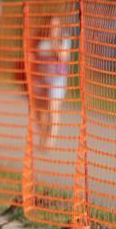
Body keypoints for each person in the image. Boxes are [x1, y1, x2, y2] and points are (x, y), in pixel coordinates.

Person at [31, 15, 73, 148]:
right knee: (39, 109)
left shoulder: (64, 39)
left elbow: (64, 57)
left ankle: (50, 140)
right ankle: (43, 133)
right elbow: (33, 54)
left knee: (53, 108)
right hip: (41, 77)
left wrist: (55, 44)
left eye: (55, 26)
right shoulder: (40, 39)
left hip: (57, 78)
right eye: (50, 25)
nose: (53, 28)